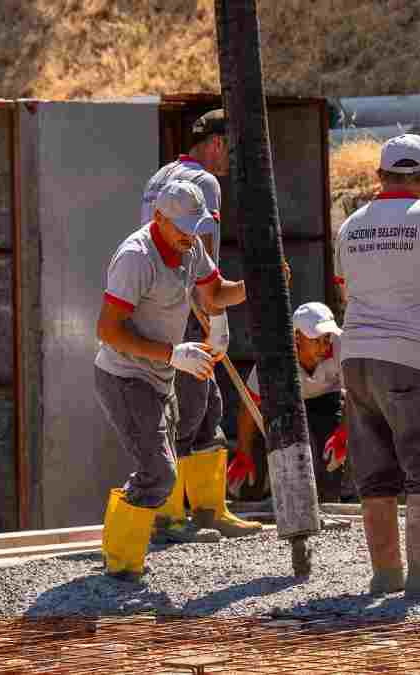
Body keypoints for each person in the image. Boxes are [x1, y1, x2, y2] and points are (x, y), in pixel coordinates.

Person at [334, 134, 420, 598]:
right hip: (412, 360)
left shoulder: (351, 226)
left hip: (355, 359)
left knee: (374, 474)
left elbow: (346, 293)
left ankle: (385, 575)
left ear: (379, 177)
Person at [94, 180, 245, 581]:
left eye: (195, 226)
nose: (190, 234)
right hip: (125, 376)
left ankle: (121, 555)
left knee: (161, 467)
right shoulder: (135, 259)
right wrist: (172, 354)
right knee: (160, 472)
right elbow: (108, 330)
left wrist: (253, 287)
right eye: (182, 226)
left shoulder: (189, 247)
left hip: (159, 374)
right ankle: (120, 563)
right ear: (158, 217)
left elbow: (213, 295)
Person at [140, 109, 263, 541]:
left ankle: (210, 510)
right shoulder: (205, 183)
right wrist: (215, 317)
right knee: (188, 411)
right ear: (215, 144)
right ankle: (169, 517)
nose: (231, 159)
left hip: (159, 308)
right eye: (231, 147)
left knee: (207, 405)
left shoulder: (160, 177)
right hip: (186, 312)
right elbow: (202, 257)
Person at [228, 302, 349, 504]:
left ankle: (328, 500)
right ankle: (251, 499)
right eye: (315, 340)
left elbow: (355, 395)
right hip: (286, 399)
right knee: (258, 448)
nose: (324, 346)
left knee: (330, 451)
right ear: (296, 337)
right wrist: (243, 452)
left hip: (328, 397)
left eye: (326, 338)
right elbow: (249, 406)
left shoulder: (342, 346)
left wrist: (343, 433)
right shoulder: (276, 354)